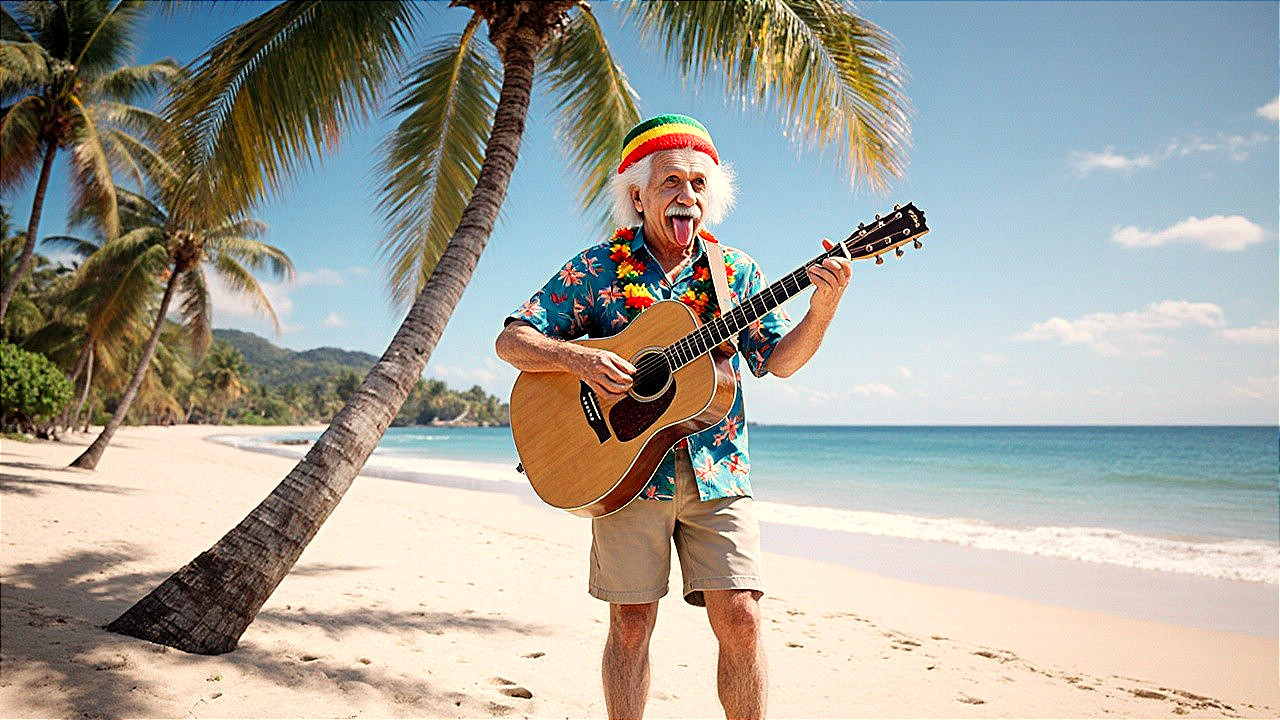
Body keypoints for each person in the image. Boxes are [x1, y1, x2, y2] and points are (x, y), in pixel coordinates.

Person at [495, 114, 852, 719]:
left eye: (698, 184)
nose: (687, 196)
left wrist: (823, 309)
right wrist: (578, 359)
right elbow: (513, 341)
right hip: (624, 472)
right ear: (637, 194)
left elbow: (778, 362)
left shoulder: (734, 271)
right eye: (670, 183)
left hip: (721, 469)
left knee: (742, 617)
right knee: (631, 624)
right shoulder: (597, 267)